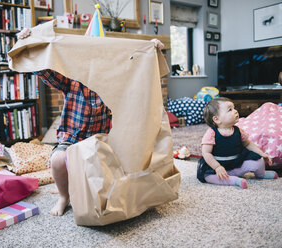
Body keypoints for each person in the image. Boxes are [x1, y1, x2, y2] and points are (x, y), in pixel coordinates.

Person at [18, 28, 165, 215]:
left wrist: (151, 48)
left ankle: (86, 186)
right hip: (72, 140)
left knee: (125, 162)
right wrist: (28, 41)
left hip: (102, 142)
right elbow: (42, 69)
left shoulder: (115, 82)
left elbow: (139, 70)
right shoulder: (71, 81)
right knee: (57, 160)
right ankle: (64, 196)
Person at [197, 97, 278, 189]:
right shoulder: (212, 133)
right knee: (208, 177)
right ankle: (234, 181)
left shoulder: (238, 130)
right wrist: (217, 167)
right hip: (218, 167)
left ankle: (261, 174)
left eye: (234, 108)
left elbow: (247, 144)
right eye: (230, 110)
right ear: (217, 119)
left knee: (258, 160)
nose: (235, 111)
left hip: (237, 164)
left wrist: (261, 153)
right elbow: (206, 152)